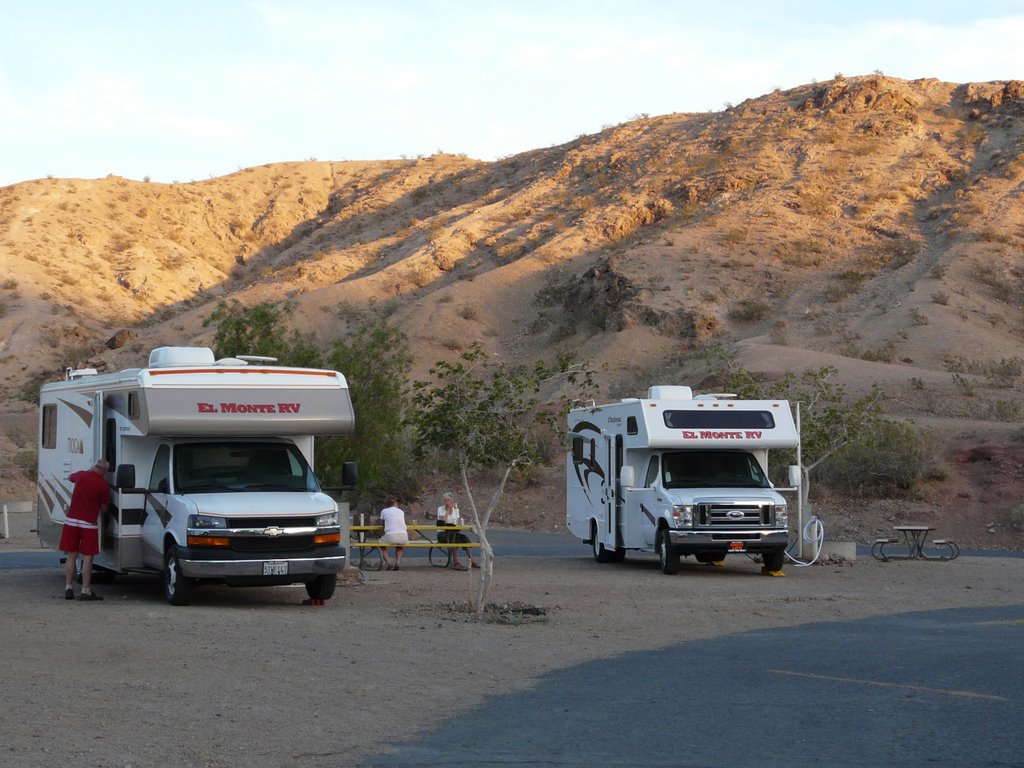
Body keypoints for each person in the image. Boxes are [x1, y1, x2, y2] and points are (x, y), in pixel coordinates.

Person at [60, 458, 111, 601]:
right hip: (88, 523)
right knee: (88, 557)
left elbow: (70, 477)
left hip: (71, 521)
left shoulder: (81, 475)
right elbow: (104, 508)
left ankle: (68, 588)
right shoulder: (102, 485)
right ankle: (85, 590)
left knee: (72, 555)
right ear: (104, 471)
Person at [436, 491, 478, 570]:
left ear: (452, 501)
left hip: (453, 531)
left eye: (448, 500)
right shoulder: (440, 509)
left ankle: (471, 560)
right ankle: (455, 561)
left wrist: (459, 524)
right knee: (454, 538)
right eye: (445, 500)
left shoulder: (456, 510)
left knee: (464, 538)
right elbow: (442, 522)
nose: (447, 502)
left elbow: (458, 522)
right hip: (443, 533)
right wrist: (448, 510)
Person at [377, 495, 408, 571]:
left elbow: (382, 523)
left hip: (391, 535)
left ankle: (388, 561)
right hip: (403, 536)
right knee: (400, 546)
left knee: (381, 544)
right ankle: (397, 562)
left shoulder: (384, 511)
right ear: (395, 503)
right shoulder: (401, 511)